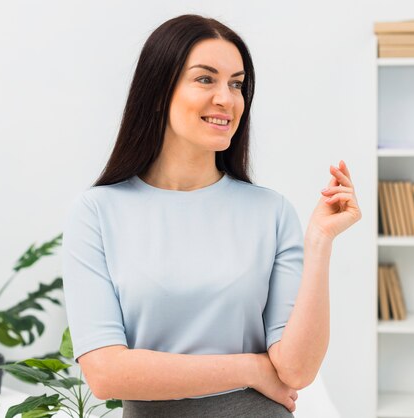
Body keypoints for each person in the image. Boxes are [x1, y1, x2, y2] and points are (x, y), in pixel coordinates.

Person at [61, 14, 361, 418]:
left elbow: (296, 369)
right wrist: (251, 368)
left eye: (236, 84)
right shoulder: (97, 213)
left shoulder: (270, 212)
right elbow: (106, 373)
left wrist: (320, 241)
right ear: (158, 89)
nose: (227, 98)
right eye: (206, 79)